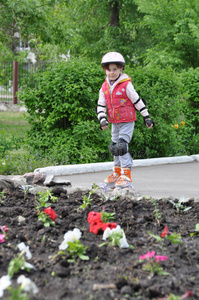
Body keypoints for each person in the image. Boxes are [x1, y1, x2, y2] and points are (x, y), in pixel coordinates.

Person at [96, 52, 154, 189]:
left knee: (121, 146)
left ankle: (126, 175)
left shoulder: (126, 85)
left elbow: (137, 101)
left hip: (127, 120)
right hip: (114, 122)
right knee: (114, 147)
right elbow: (100, 105)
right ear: (105, 70)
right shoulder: (104, 87)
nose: (111, 72)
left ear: (121, 69)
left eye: (115, 69)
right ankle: (117, 173)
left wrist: (146, 117)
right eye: (109, 70)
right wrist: (102, 119)